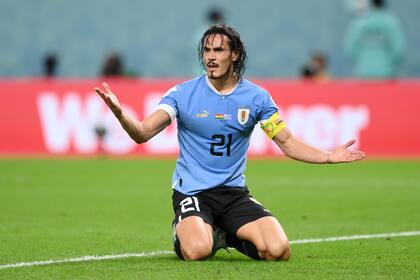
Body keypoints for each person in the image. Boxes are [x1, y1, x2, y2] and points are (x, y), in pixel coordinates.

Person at [95, 24, 365, 261]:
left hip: (233, 195)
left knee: (278, 250)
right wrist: (120, 113)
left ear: (234, 54)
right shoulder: (182, 94)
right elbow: (142, 133)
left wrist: (328, 156)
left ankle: (225, 235)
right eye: (207, 51)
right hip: (193, 193)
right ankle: (185, 230)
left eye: (218, 51)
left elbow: (288, 142)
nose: (210, 58)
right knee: (197, 251)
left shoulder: (257, 98)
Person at [345, 0, 406, 78]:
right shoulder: (391, 22)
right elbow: (399, 49)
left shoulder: (359, 23)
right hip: (387, 73)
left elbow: (350, 48)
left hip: (364, 72)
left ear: (370, 4)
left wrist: (362, 61)